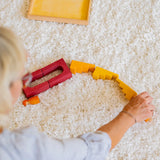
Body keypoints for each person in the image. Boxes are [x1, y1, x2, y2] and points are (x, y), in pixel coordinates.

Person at [0, 27, 155, 160]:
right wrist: (130, 115)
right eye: (23, 77)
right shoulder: (23, 147)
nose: (25, 82)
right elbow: (90, 151)